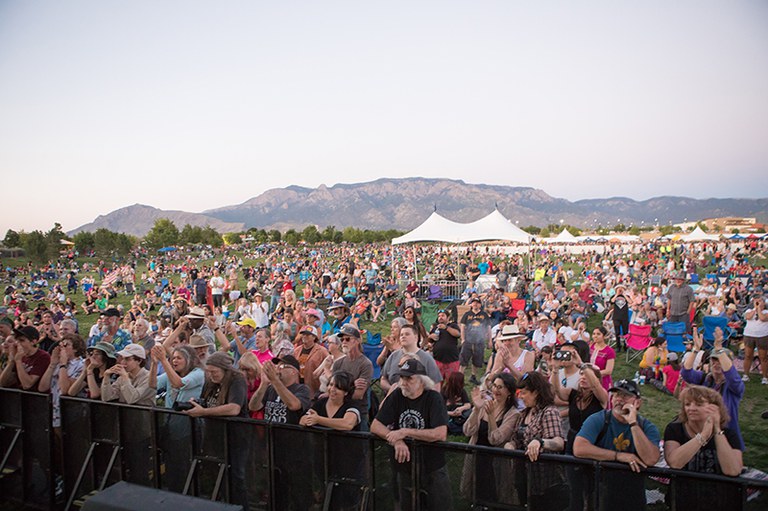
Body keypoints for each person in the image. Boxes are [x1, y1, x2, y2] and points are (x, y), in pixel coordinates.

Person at [371, 358, 452, 511]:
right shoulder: (397, 396)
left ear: (422, 381)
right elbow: (375, 425)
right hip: (404, 467)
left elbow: (440, 433)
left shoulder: (434, 399)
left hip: (431, 467)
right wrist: (397, 441)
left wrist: (405, 432)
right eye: (402, 377)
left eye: (409, 378)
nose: (404, 382)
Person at [573, 379, 661, 511]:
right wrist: (618, 456)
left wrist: (633, 424)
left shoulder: (647, 427)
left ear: (637, 402)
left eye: (625, 396)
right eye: (616, 395)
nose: (619, 399)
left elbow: (651, 459)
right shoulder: (598, 419)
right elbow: (579, 448)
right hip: (601, 491)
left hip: (632, 494)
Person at [186, 352, 249, 511]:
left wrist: (204, 412)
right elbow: (205, 401)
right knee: (215, 472)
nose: (211, 375)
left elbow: (234, 408)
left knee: (236, 477)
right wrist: (195, 405)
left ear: (225, 370)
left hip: (235, 436)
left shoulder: (237, 380)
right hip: (214, 435)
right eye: (209, 371)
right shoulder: (210, 381)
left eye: (214, 372)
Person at [663, 385, 743, 510]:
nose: (691, 408)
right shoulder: (674, 429)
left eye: (699, 404)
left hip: (720, 501)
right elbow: (674, 462)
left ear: (715, 408)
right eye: (687, 404)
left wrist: (716, 429)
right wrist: (703, 435)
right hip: (683, 499)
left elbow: (733, 470)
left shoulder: (729, 435)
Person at [508, 372, 567, 511]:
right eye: (519, 393)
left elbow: (558, 442)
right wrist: (510, 445)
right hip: (523, 476)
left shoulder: (549, 412)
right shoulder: (523, 414)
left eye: (523, 393)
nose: (520, 397)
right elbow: (516, 439)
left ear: (536, 393)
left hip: (545, 481)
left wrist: (540, 442)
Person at [681, 327, 745, 450]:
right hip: (701, 429)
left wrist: (719, 349)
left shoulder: (734, 386)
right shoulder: (704, 379)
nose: (716, 364)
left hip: (725, 432)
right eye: (713, 360)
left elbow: (732, 376)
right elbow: (686, 373)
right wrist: (695, 350)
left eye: (720, 361)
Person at [461, 372, 519, 507]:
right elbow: (467, 431)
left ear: (509, 391)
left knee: (495, 497)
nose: (495, 390)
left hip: (496, 464)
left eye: (500, 387)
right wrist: (476, 409)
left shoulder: (513, 414)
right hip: (477, 458)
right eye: (494, 386)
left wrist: (491, 416)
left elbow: (495, 439)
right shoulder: (484, 405)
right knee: (476, 495)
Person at [332, 324, 374, 430]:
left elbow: (358, 395)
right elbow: (332, 389)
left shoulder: (365, 364)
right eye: (342, 340)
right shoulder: (338, 363)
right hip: (339, 408)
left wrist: (342, 389)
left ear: (357, 341)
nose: (344, 342)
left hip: (358, 411)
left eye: (347, 339)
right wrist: (352, 385)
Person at [381, 324, 443, 393]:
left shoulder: (427, 358)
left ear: (416, 337)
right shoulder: (393, 356)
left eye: (407, 334)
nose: (403, 336)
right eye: (401, 335)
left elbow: (436, 384)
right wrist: (392, 389)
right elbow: (383, 379)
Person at [0, 326, 51, 391]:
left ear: (33, 342)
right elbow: (3, 383)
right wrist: (11, 361)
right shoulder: (19, 355)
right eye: (17, 340)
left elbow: (27, 385)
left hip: (35, 398)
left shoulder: (43, 356)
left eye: (21, 340)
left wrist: (18, 361)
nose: (17, 343)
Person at [460, 297, 491, 385]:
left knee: (477, 359)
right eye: (473, 302)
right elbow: (462, 327)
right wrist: (462, 339)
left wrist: (489, 341)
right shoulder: (467, 314)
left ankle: (473, 376)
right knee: (463, 360)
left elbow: (488, 328)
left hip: (480, 340)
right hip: (468, 340)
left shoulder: (484, 315)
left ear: (480, 304)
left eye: (477, 303)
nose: (475, 304)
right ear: (471, 304)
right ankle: (460, 378)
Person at [294, 325, 328, 397]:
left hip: (313, 386)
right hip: (298, 385)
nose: (304, 336)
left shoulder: (322, 351)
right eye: (303, 334)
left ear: (314, 337)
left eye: (308, 335)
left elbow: (328, 364)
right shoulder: (297, 350)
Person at [427, 309, 461, 380]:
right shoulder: (435, 328)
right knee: (438, 381)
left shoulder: (453, 325)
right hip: (438, 360)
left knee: (452, 382)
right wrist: (430, 336)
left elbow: (457, 334)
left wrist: (446, 328)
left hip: (452, 360)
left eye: (443, 315)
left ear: (448, 318)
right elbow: (429, 341)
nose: (440, 317)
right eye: (439, 316)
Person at [741, 295, 768, 384]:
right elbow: (748, 317)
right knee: (748, 355)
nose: (757, 303)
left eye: (760, 301)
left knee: (763, 357)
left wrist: (759, 309)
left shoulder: (766, 312)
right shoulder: (749, 310)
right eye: (756, 301)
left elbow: (763, 318)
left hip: (762, 336)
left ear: (764, 302)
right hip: (749, 335)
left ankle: (764, 377)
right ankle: (745, 375)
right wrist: (755, 309)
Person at [442, 371, 471, 435]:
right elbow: (439, 409)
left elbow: (468, 404)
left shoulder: (462, 391)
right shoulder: (444, 391)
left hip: (460, 415)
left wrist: (461, 408)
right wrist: (451, 414)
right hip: (448, 415)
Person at [589, 326, 615, 391]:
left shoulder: (609, 351)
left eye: (598, 334)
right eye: (594, 334)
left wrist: (593, 374)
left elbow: (608, 370)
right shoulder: (591, 346)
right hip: (589, 379)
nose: (595, 336)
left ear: (604, 336)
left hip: (602, 380)